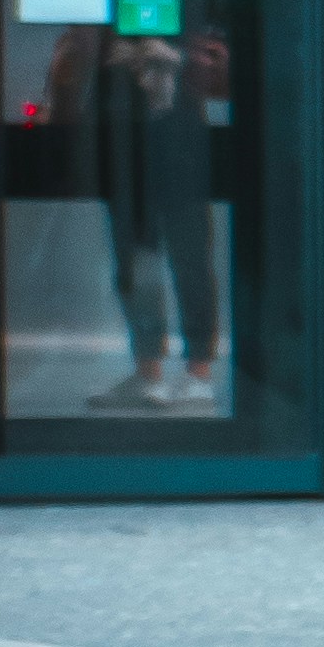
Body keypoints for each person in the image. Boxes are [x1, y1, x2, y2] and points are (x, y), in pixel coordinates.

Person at [82, 23, 223, 411]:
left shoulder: (183, 37)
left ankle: (197, 371)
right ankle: (150, 370)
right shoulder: (114, 51)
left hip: (176, 155)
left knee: (188, 261)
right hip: (129, 155)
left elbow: (215, 74)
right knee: (135, 264)